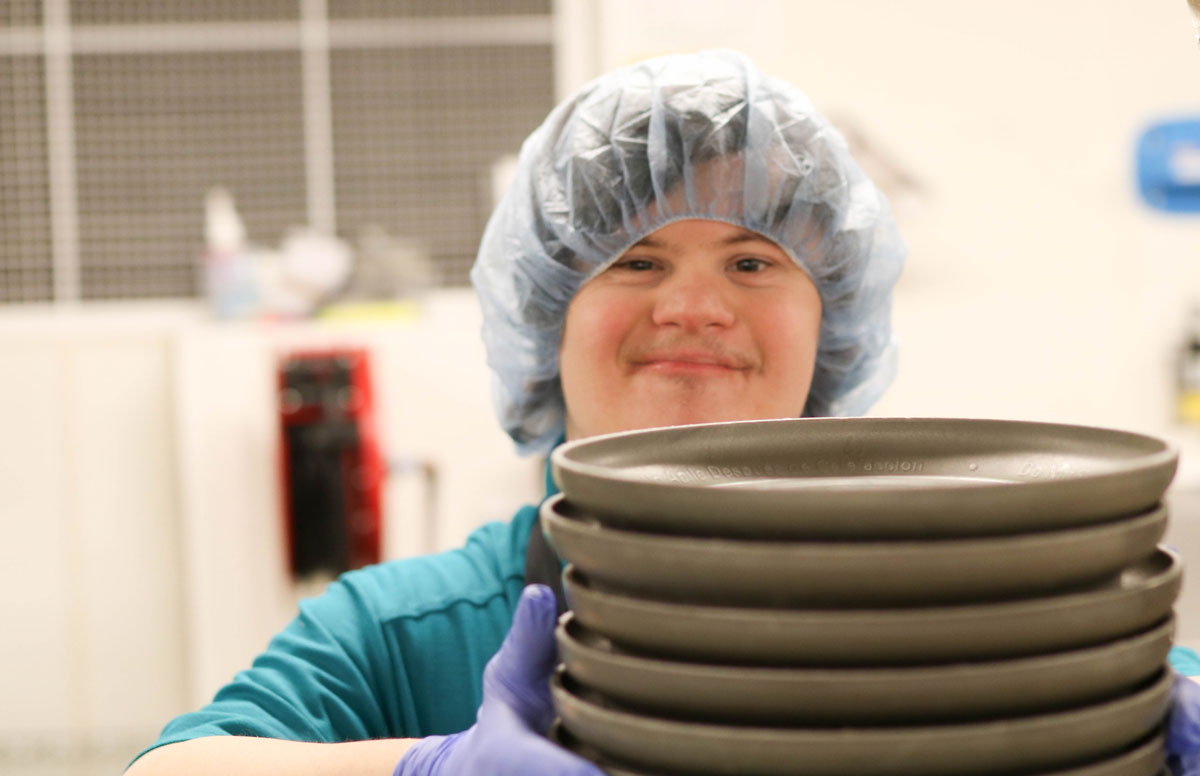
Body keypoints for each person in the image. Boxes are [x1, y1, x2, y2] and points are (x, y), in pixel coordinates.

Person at [126, 50, 1200, 776]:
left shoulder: (978, 591)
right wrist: (425, 764)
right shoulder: (406, 632)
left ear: (832, 323)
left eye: (750, 257)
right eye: (634, 257)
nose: (693, 305)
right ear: (548, 311)